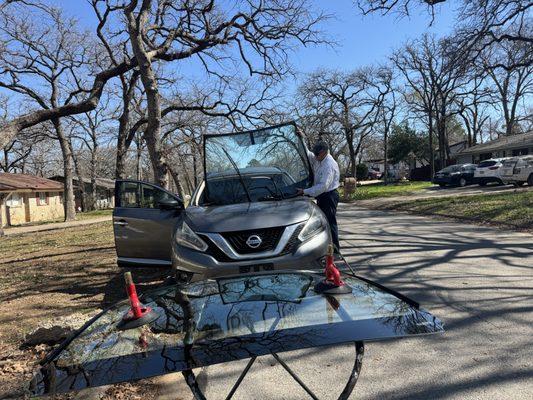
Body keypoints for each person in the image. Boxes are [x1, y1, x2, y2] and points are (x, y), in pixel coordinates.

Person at [297, 140, 341, 252]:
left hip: (329, 196)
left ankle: (335, 248)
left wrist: (304, 191)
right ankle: (328, 246)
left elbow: (323, 186)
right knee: (323, 222)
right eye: (315, 154)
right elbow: (306, 154)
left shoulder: (328, 165)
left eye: (317, 154)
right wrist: (300, 138)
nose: (315, 156)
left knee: (330, 222)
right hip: (323, 196)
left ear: (324, 152)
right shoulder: (320, 160)